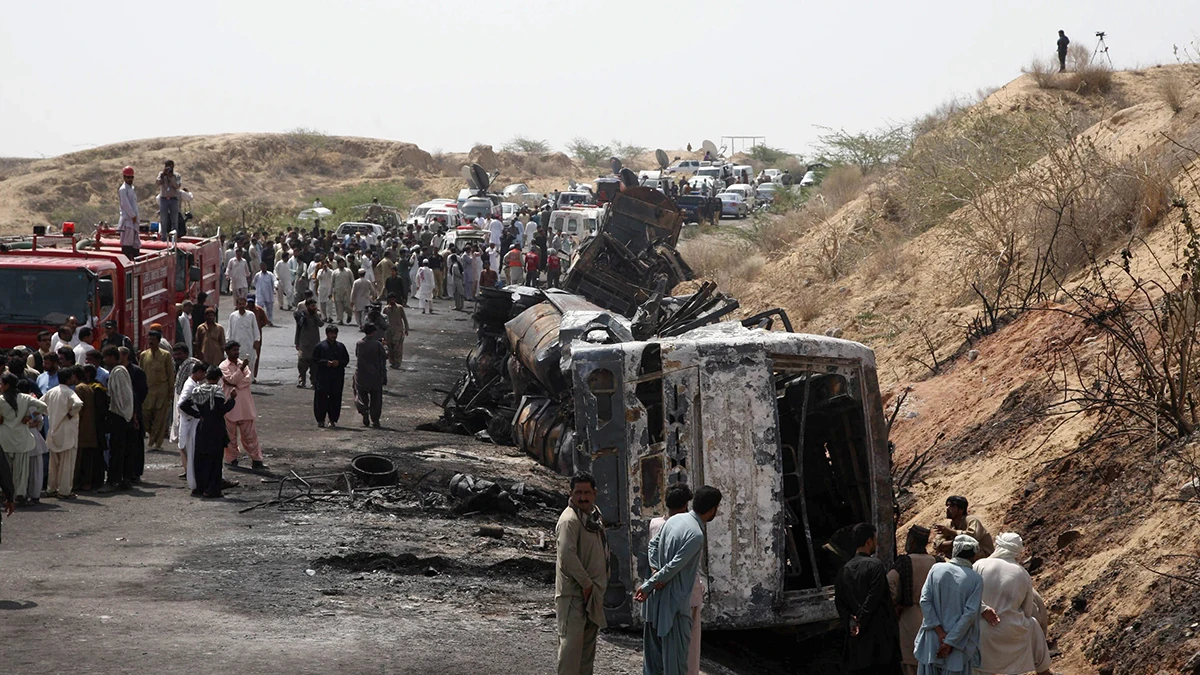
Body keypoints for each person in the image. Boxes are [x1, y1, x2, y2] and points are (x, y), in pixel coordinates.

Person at [637, 485, 723, 675]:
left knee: (653, 665)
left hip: (656, 604)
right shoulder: (696, 535)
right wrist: (650, 584)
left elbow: (653, 544)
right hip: (674, 608)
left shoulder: (676, 520)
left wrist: (654, 571)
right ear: (712, 509)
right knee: (675, 666)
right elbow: (675, 566)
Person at [974, 533, 1053, 675]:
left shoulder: (979, 565)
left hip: (981, 632)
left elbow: (968, 596)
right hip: (1011, 633)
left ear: (998, 546)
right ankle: (1043, 669)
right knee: (1033, 624)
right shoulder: (1023, 574)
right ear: (1017, 551)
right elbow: (1028, 612)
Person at [555, 472, 609, 675]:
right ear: (571, 493)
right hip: (574, 595)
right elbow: (567, 557)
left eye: (587, 492)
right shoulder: (570, 520)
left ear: (594, 493)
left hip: (592, 595)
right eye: (578, 493)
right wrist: (586, 584)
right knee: (570, 652)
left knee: (586, 654)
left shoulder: (594, 515)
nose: (583, 497)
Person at [648, 485, 705, 675]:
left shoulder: (656, 524)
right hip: (685, 596)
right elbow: (678, 564)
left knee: (658, 652)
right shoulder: (688, 527)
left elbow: (652, 549)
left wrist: (655, 574)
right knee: (688, 650)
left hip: (659, 593)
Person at [835, 522, 902, 675]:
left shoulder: (844, 570)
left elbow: (839, 602)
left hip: (857, 645)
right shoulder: (875, 565)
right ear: (869, 541)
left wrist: (851, 620)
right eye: (875, 538)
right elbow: (875, 596)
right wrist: (861, 618)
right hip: (880, 643)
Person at [915, 535, 984, 675]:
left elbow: (924, 600)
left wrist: (940, 633)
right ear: (973, 555)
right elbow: (969, 614)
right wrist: (949, 642)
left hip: (932, 641)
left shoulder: (936, 569)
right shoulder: (975, 579)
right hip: (958, 646)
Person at [180, 366, 238, 498]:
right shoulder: (217, 391)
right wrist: (232, 399)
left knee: (201, 458)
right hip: (215, 429)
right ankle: (212, 489)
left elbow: (184, 405)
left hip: (202, 428)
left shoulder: (198, 390)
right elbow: (221, 410)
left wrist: (197, 414)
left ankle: (200, 487)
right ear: (218, 378)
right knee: (215, 460)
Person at [889, 526, 938, 675]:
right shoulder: (937, 561)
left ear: (913, 542)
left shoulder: (904, 562)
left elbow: (889, 582)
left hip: (909, 617)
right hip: (933, 618)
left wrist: (896, 603)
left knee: (911, 663)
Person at [0, 372, 49, 505]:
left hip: (4, 440)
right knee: (21, 471)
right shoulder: (25, 398)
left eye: (1, 383)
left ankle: (6, 495)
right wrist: (30, 417)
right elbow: (43, 406)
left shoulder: (1, 399)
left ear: (6, 385)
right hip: (22, 439)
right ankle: (20, 495)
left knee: (6, 470)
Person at [219, 341, 266, 470]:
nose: (236, 352)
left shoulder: (242, 363)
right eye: (234, 350)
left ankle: (257, 460)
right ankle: (231, 459)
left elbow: (248, 379)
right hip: (230, 406)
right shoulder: (223, 366)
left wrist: (237, 384)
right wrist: (238, 376)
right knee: (230, 437)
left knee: (250, 436)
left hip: (245, 406)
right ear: (227, 352)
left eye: (237, 350)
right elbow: (230, 380)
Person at [99, 346, 135, 492]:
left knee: (117, 450)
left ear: (113, 357)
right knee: (121, 449)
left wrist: (122, 412)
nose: (105, 360)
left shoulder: (118, 372)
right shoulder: (116, 371)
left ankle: (113, 481)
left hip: (120, 416)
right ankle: (122, 479)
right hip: (124, 415)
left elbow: (122, 396)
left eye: (107, 357)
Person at [44, 366, 83, 499]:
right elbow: (78, 404)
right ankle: (64, 491)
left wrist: (50, 413)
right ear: (68, 378)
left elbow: (40, 404)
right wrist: (70, 414)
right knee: (67, 463)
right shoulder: (69, 392)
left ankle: (51, 488)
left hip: (53, 430)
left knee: (53, 464)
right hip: (67, 432)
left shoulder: (51, 392)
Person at [139, 329, 176, 452]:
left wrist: (171, 390)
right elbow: (140, 373)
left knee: (160, 417)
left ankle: (156, 442)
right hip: (148, 390)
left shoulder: (165, 355)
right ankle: (151, 434)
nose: (150, 342)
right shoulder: (144, 355)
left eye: (153, 340)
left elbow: (170, 373)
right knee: (146, 416)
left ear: (158, 341)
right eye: (149, 339)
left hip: (162, 390)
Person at [311, 325, 350, 428]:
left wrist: (339, 363)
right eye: (331, 333)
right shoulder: (320, 346)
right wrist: (325, 363)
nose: (333, 336)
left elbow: (346, 360)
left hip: (337, 377)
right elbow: (315, 359)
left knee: (335, 398)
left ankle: (332, 420)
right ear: (327, 334)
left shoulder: (341, 346)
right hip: (323, 377)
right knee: (321, 398)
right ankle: (320, 419)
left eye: (335, 334)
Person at [353, 324, 387, 428]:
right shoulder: (377, 344)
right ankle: (375, 420)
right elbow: (385, 356)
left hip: (361, 375)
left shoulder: (359, 343)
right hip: (375, 375)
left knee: (360, 395)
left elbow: (357, 355)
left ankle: (364, 411)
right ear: (373, 332)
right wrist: (385, 347)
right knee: (376, 399)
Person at [226, 296, 262, 381]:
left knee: (250, 362)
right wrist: (228, 342)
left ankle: (249, 379)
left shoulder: (251, 315)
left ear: (245, 305)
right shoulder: (233, 316)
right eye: (240, 304)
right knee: (237, 363)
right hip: (236, 345)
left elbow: (255, 329)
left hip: (249, 344)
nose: (241, 306)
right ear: (237, 305)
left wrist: (257, 340)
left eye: (243, 304)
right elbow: (229, 330)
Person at [294, 298, 325, 388]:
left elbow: (321, 324)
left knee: (314, 364)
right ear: (307, 306)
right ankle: (302, 381)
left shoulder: (317, 315)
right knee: (302, 362)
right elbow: (298, 329)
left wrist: (315, 314)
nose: (314, 307)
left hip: (315, 343)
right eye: (312, 306)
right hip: (304, 343)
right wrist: (297, 342)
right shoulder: (302, 316)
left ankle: (313, 382)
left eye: (314, 306)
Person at [117, 166, 140, 259]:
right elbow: (125, 204)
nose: (130, 179)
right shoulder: (123, 189)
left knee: (135, 243)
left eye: (132, 177)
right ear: (124, 177)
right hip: (127, 220)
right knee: (127, 244)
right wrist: (132, 215)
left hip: (134, 220)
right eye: (128, 177)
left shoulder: (131, 188)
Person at [156, 160, 182, 238]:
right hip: (163, 199)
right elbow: (157, 183)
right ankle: (163, 237)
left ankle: (174, 237)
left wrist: (171, 177)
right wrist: (163, 175)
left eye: (170, 166)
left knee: (174, 219)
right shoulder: (161, 174)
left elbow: (177, 186)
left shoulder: (177, 175)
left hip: (173, 199)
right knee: (163, 219)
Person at [383, 294, 409, 369]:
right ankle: (392, 361)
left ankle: (397, 362)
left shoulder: (400, 308)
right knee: (390, 347)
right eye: (391, 299)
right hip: (388, 331)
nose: (392, 301)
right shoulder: (386, 309)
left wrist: (406, 329)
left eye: (393, 299)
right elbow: (383, 320)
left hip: (398, 330)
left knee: (397, 347)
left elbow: (404, 319)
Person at [332, 258, 354, 325]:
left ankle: (349, 314)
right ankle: (340, 320)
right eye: (340, 263)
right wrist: (330, 292)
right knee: (339, 306)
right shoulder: (335, 272)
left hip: (347, 291)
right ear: (338, 264)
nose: (342, 264)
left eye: (343, 262)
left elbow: (352, 281)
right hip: (337, 292)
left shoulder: (348, 271)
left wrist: (353, 291)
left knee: (347, 306)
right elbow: (332, 283)